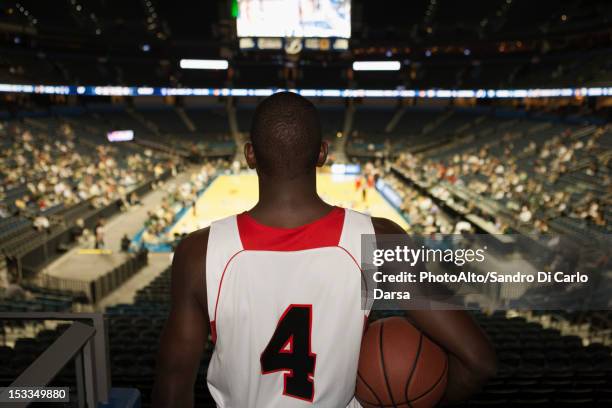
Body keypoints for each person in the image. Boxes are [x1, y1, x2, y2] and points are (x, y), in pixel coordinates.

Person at [153, 92, 496, 408]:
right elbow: (479, 362)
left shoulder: (197, 253)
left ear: (249, 155)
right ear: (322, 153)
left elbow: (172, 384)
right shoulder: (380, 239)